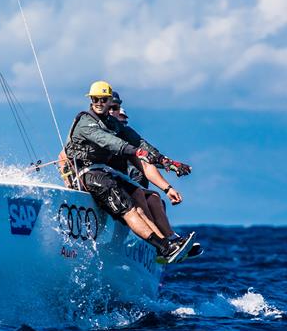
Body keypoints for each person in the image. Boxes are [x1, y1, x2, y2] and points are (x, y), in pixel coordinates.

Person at [63, 81, 194, 263]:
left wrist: (168, 162)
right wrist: (136, 152)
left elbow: (140, 143)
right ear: (91, 100)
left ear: (109, 101)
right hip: (89, 174)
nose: (99, 103)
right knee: (128, 208)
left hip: (107, 173)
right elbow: (110, 142)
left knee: (138, 192)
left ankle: (168, 242)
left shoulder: (113, 123)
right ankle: (164, 247)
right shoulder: (86, 122)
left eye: (103, 99)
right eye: (95, 99)